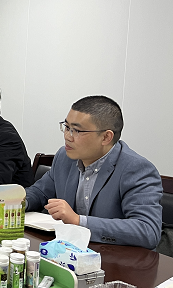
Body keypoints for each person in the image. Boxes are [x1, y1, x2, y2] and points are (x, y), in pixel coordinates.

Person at [26, 95, 162, 249]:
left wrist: (78, 221)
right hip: (69, 252)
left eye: (77, 130)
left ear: (106, 137)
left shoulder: (136, 169)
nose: (67, 136)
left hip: (114, 256)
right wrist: (16, 202)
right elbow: (40, 192)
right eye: (67, 127)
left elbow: (148, 231)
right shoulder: (64, 157)